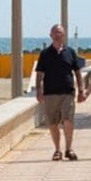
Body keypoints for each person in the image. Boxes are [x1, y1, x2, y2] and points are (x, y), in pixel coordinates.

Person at [33, 27, 84, 162]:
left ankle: (69, 149)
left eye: (60, 33)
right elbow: (39, 74)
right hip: (50, 93)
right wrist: (38, 90)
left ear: (64, 35)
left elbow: (77, 72)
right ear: (50, 35)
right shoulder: (45, 54)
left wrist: (81, 90)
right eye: (55, 32)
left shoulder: (70, 52)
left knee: (68, 120)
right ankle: (57, 150)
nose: (57, 35)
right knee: (53, 123)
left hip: (68, 92)